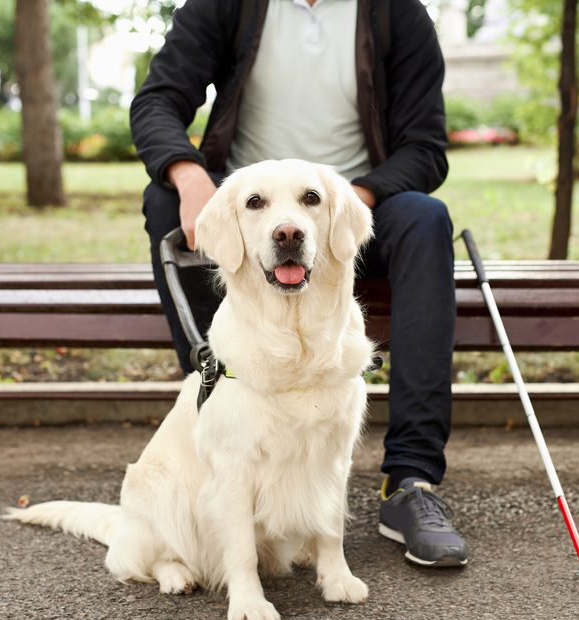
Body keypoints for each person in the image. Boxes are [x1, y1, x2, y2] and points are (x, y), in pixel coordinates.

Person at [130, 0, 467, 567]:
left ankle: (410, 482)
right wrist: (187, 175)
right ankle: (220, 434)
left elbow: (425, 148)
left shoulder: (396, 13)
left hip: (353, 208)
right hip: (251, 217)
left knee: (427, 217)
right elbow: (157, 101)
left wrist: (343, 202)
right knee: (164, 197)